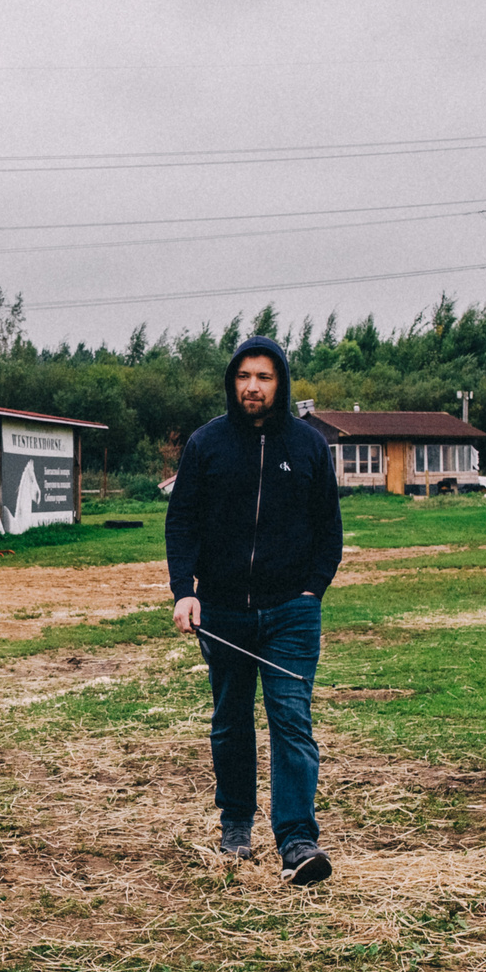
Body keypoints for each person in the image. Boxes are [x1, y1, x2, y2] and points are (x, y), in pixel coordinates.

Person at [164, 335, 343, 885]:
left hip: (291, 611)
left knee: (291, 720)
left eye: (264, 377)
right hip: (221, 610)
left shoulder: (309, 446)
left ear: (280, 382)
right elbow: (182, 522)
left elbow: (328, 531)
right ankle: (237, 825)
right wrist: (184, 590)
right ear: (232, 381)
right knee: (231, 721)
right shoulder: (206, 444)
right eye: (244, 376)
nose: (253, 386)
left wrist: (312, 590)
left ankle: (297, 841)